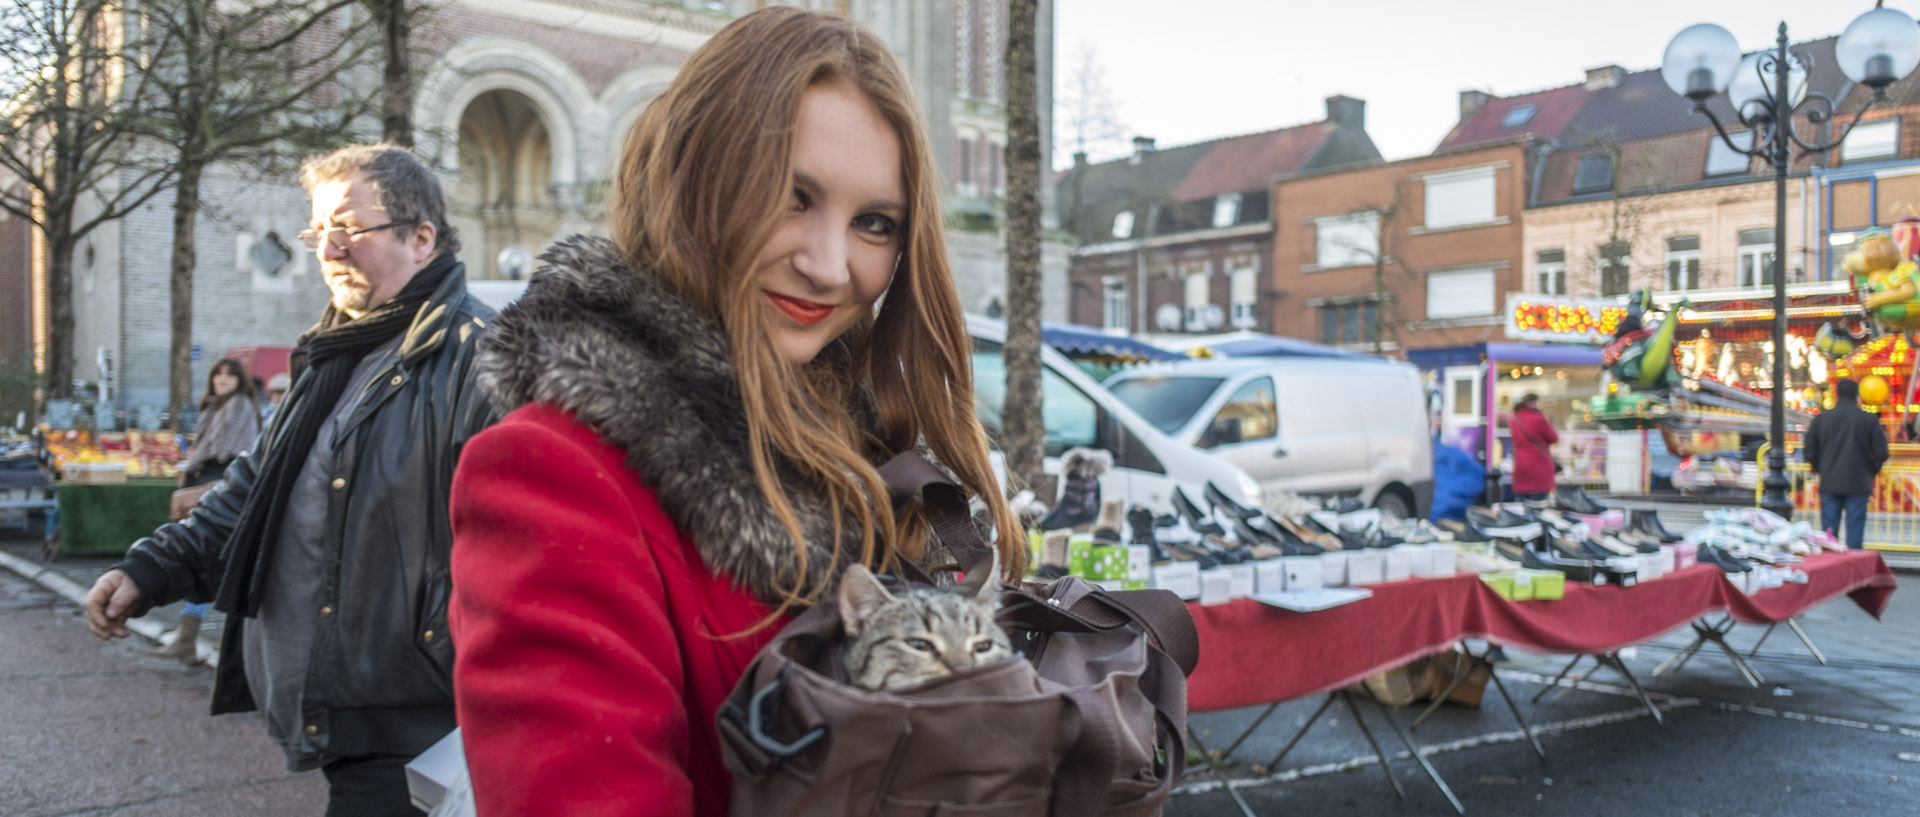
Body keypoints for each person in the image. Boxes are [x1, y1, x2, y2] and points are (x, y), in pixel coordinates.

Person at [446, 8, 1026, 815]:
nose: (828, 265)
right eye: (790, 197)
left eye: (874, 223)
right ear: (690, 177)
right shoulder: (553, 472)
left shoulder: (873, 448)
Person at [81, 144, 498, 816]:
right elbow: (255, 488)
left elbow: (516, 552)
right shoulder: (335, 351)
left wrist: (443, 657)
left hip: (415, 724)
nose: (328, 250)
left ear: (421, 238)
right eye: (316, 232)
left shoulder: (479, 356)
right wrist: (151, 570)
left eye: (348, 229)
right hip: (345, 713)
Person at [150, 358, 264, 664]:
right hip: (211, 487)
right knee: (205, 563)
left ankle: (227, 648)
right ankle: (188, 638)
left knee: (227, 566)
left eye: (230, 376)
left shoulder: (238, 407)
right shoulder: (213, 407)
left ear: (240, 381)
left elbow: (231, 454)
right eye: (218, 376)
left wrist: (196, 473)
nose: (223, 381)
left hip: (223, 491)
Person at [1804, 377, 1889, 549]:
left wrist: (1821, 468)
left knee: (1828, 533)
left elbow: (1809, 450)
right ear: (1857, 395)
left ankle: (1830, 565)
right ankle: (1854, 565)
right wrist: (1870, 470)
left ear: (1836, 395)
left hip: (1830, 481)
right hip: (1859, 481)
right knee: (1855, 531)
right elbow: (1882, 452)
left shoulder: (1821, 419)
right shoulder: (1869, 420)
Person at [1510, 392, 1558, 501]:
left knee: (1521, 510)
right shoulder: (1538, 418)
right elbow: (1554, 438)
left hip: (1521, 467)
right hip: (1539, 467)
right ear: (1535, 403)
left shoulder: (1514, 419)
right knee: (1538, 509)